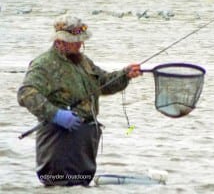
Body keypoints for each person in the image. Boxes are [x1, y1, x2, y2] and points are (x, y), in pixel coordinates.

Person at [17, 14, 142, 186]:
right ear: (60, 41)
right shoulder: (43, 64)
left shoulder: (83, 61)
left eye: (81, 40)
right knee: (59, 185)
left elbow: (104, 83)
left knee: (81, 185)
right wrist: (56, 115)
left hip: (85, 142)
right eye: (75, 41)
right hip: (59, 142)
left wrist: (125, 74)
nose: (80, 44)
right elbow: (26, 94)